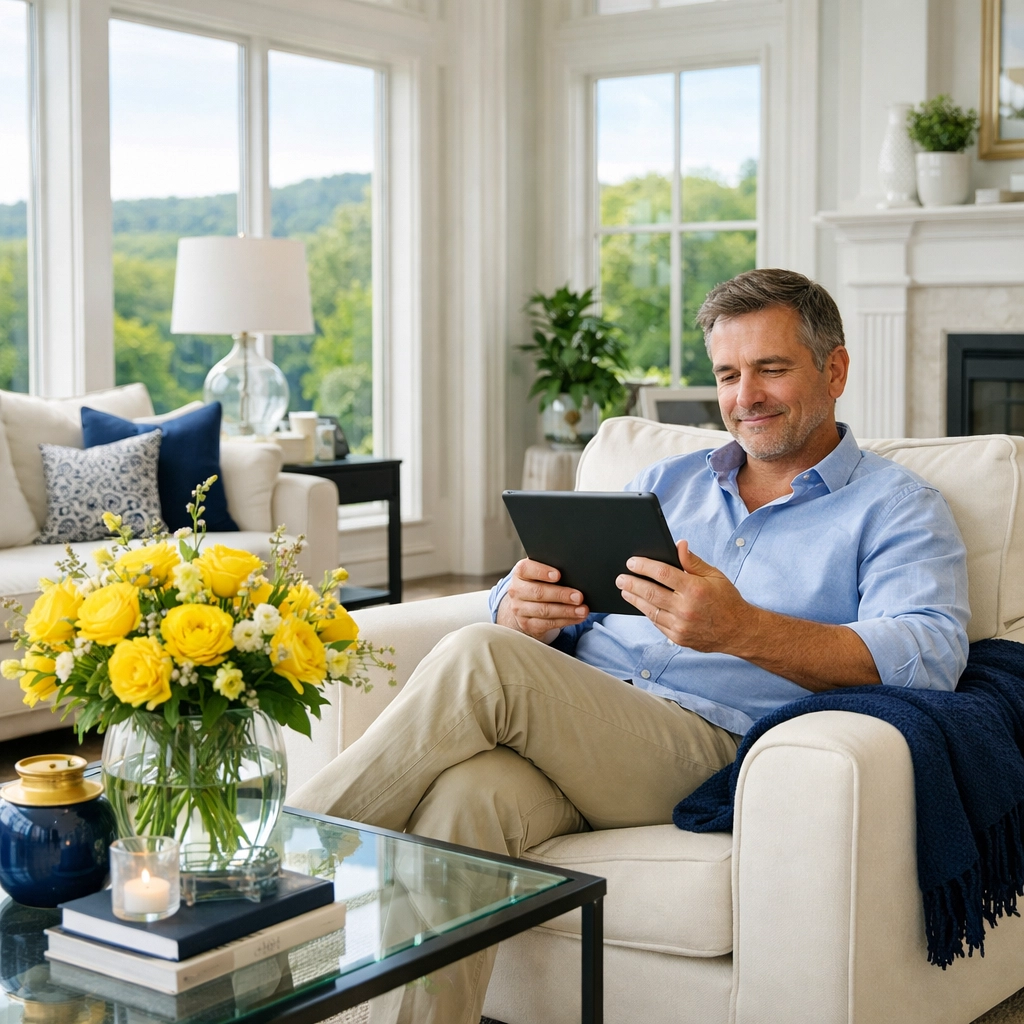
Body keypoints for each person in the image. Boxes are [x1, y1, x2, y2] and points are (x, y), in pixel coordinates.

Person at [290, 268, 970, 1024]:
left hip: (712, 748)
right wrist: (520, 606)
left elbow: (930, 654)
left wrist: (742, 630)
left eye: (772, 368)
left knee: (483, 658)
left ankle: (266, 879)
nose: (747, 395)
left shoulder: (896, 507)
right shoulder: (666, 481)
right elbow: (544, 593)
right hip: (587, 730)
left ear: (834, 369)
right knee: (465, 802)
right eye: (729, 374)